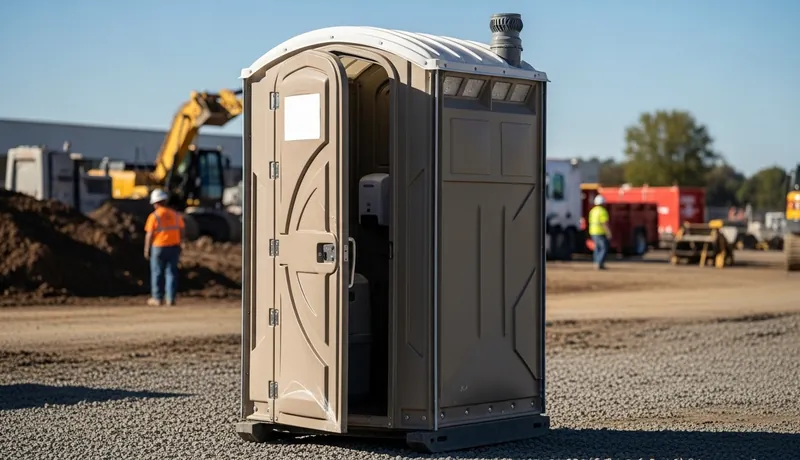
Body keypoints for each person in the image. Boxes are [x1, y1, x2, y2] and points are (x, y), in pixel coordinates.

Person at [144, 189, 185, 306]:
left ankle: (157, 298)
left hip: (159, 247)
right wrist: (180, 243)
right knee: (171, 272)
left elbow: (149, 234)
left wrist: (147, 249)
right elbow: (182, 229)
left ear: (155, 203)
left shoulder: (154, 216)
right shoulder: (176, 215)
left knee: (157, 272)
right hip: (174, 247)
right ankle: (170, 298)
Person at [588, 194, 612, 270]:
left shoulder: (593, 211)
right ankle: (599, 263)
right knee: (604, 248)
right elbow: (604, 223)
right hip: (600, 232)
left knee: (597, 248)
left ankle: (596, 262)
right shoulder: (602, 211)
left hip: (593, 232)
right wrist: (608, 232)